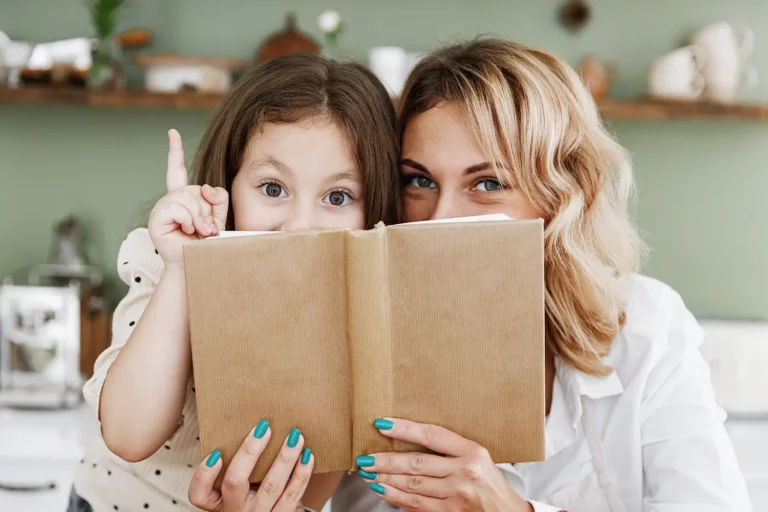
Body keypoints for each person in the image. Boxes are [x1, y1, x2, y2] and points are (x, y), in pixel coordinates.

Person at [192, 39, 753, 512]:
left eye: (487, 183)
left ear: (559, 196)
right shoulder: (356, 331)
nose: (443, 219)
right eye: (419, 181)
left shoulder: (646, 330)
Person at [68, 54, 400, 512]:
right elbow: (127, 434)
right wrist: (184, 271)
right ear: (227, 183)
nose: (299, 226)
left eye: (337, 196)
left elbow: (312, 484)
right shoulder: (167, 259)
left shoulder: (358, 308)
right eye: (273, 188)